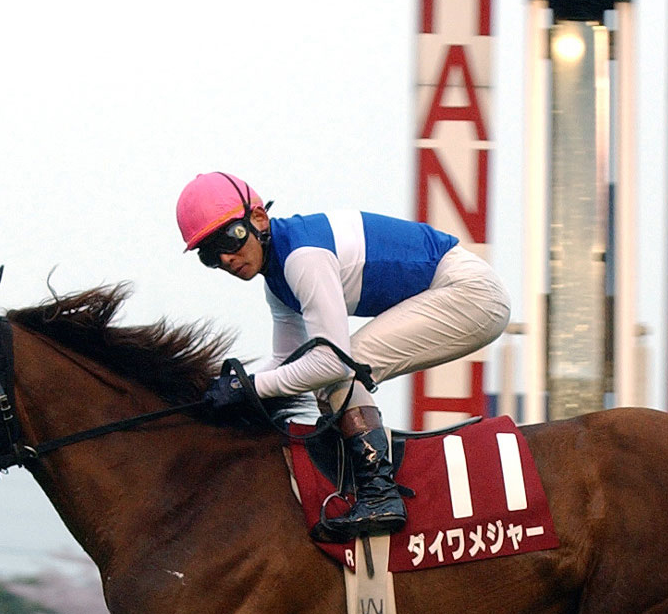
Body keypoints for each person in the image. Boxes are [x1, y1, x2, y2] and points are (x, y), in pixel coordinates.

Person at [175, 171, 511, 540]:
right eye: (210, 255)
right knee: (327, 370)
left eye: (230, 238)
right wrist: (221, 391)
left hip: (470, 294)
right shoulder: (278, 280)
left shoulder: (303, 258)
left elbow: (331, 364)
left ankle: (380, 494)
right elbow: (289, 363)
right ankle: (363, 485)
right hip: (457, 291)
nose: (226, 257)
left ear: (258, 219)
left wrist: (247, 387)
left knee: (341, 369)